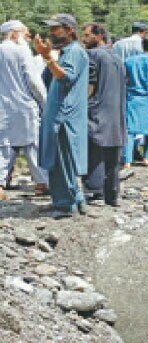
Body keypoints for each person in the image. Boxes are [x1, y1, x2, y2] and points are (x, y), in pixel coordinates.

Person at [35, 14, 89, 217]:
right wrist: (47, 57)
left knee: (61, 163)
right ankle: (75, 200)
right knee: (63, 161)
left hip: (63, 117)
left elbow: (65, 77)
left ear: (69, 30)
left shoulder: (74, 51)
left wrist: (47, 58)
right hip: (59, 114)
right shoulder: (66, 52)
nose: (51, 33)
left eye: (55, 28)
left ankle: (65, 206)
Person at [0, 20, 48, 200]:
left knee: (4, 147)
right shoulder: (21, 50)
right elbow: (33, 81)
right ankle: (42, 183)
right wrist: (45, 103)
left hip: (2, 107)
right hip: (23, 105)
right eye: (25, 34)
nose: (28, 38)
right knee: (33, 144)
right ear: (14, 34)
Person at [81, 22, 125, 206]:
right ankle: (111, 195)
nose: (83, 39)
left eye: (87, 35)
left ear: (98, 36)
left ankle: (94, 191)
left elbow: (90, 86)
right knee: (112, 156)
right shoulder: (117, 59)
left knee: (94, 151)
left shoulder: (92, 55)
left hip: (96, 112)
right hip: (116, 114)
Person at [123, 38, 148, 168]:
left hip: (132, 98)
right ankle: (147, 157)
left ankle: (127, 161)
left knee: (129, 130)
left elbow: (124, 81)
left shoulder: (128, 61)